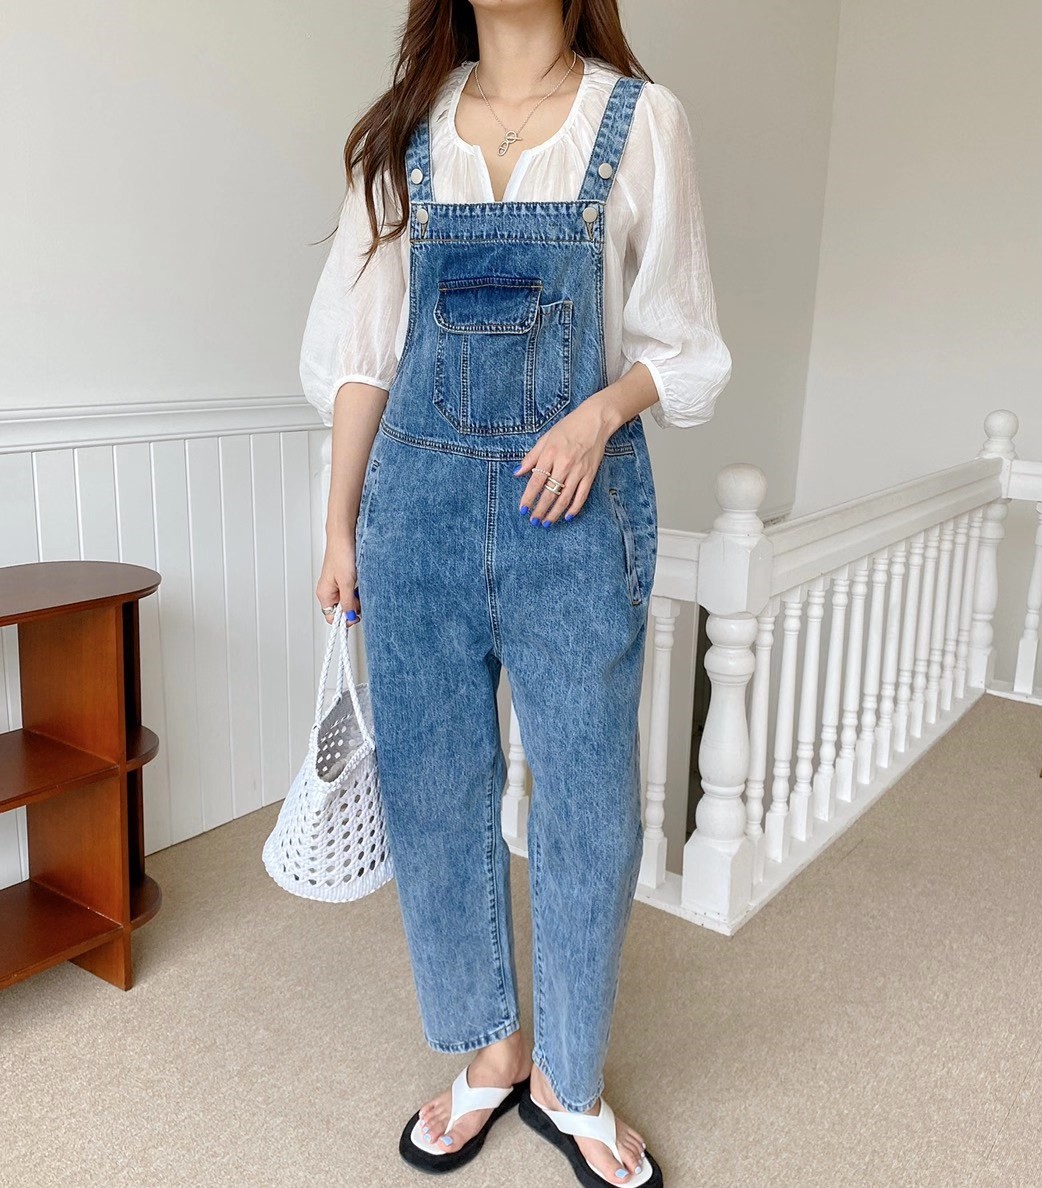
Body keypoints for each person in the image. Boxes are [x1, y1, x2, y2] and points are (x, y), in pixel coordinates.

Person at [299, 1, 731, 1183]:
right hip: (415, 519)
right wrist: (338, 526)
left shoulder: (640, 123)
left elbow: (683, 341)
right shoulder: (404, 131)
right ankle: (491, 1055)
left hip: (575, 510)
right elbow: (364, 351)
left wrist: (599, 416)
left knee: (589, 806)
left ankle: (569, 1081)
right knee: (435, 794)